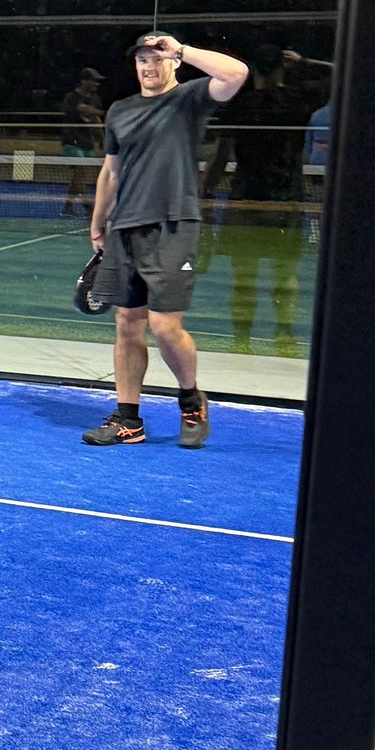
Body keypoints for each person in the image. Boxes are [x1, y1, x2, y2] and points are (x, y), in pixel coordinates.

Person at [81, 31, 247, 447]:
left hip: (174, 224)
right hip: (125, 228)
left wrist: (183, 49)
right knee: (127, 322)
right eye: (143, 59)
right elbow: (111, 171)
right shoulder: (119, 110)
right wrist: (98, 221)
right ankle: (127, 419)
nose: (149, 66)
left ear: (173, 63)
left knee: (164, 325)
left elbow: (236, 73)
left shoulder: (189, 99)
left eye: (158, 58)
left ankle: (191, 400)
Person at [198, 46, 332, 355]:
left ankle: (241, 341)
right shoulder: (298, 99)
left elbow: (220, 158)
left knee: (243, 277)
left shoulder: (240, 103)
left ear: (254, 70)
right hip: (287, 200)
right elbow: (342, 75)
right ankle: (284, 338)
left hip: (245, 199)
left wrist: (204, 193)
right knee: (286, 276)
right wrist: (306, 60)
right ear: (283, 67)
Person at [59, 67, 105, 217]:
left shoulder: (95, 98)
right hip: (71, 140)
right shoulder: (71, 97)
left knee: (81, 175)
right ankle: (86, 205)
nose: (96, 84)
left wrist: (102, 140)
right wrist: (105, 112)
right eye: (94, 80)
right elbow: (82, 109)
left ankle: (69, 207)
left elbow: (95, 120)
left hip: (87, 142)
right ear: (84, 81)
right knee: (79, 171)